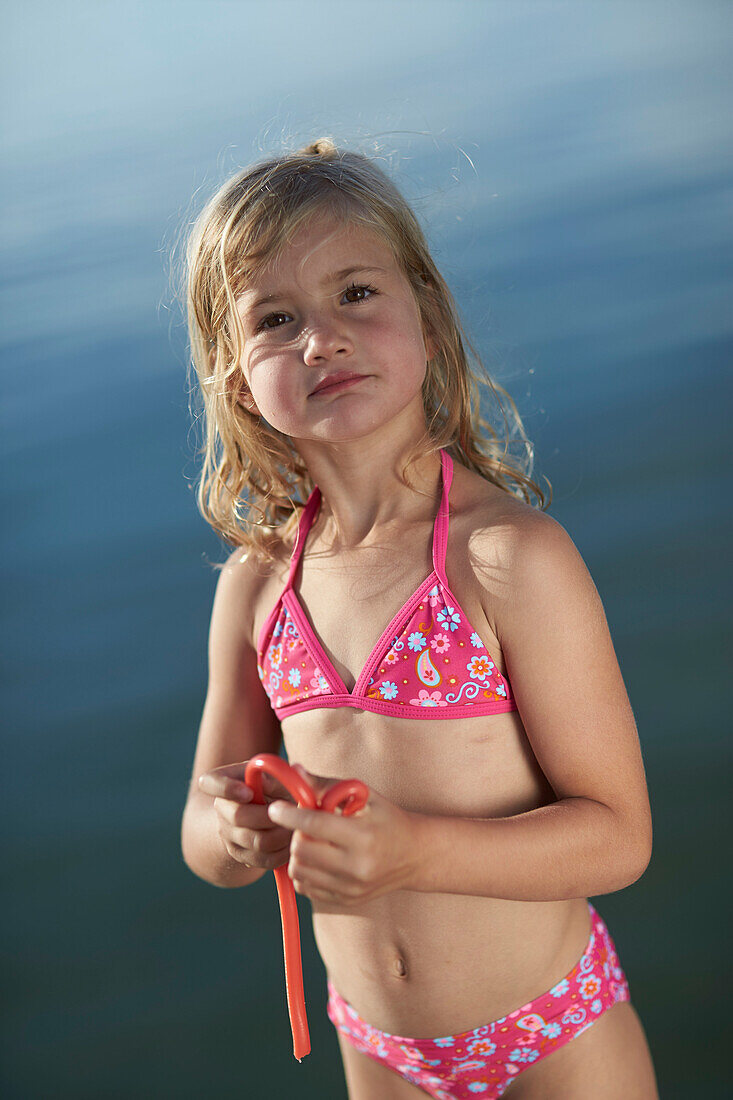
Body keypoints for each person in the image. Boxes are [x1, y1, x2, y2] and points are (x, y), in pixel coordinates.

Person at [179, 137, 659, 1098]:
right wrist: (236, 830)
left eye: (356, 294)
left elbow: (617, 839)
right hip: (379, 1051)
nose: (323, 337)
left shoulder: (507, 559)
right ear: (237, 379)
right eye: (277, 319)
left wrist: (417, 852)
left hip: (549, 1039)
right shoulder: (258, 588)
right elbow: (202, 830)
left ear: (427, 322)